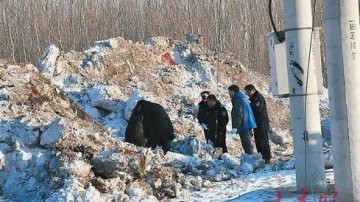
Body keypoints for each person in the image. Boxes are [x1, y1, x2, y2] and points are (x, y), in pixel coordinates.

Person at [245, 84, 272, 164]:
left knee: (263, 140)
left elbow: (258, 110)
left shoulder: (258, 98)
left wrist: (250, 109)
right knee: (258, 140)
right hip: (256, 123)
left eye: (248, 92)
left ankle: (267, 157)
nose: (247, 94)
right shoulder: (253, 99)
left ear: (253, 90)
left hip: (262, 122)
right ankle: (261, 156)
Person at [228, 85, 257, 155]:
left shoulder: (238, 99)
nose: (229, 93)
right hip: (247, 123)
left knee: (247, 145)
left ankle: (250, 161)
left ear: (234, 91)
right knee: (248, 144)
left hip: (244, 125)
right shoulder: (241, 97)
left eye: (230, 92)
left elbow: (238, 114)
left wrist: (235, 127)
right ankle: (251, 159)